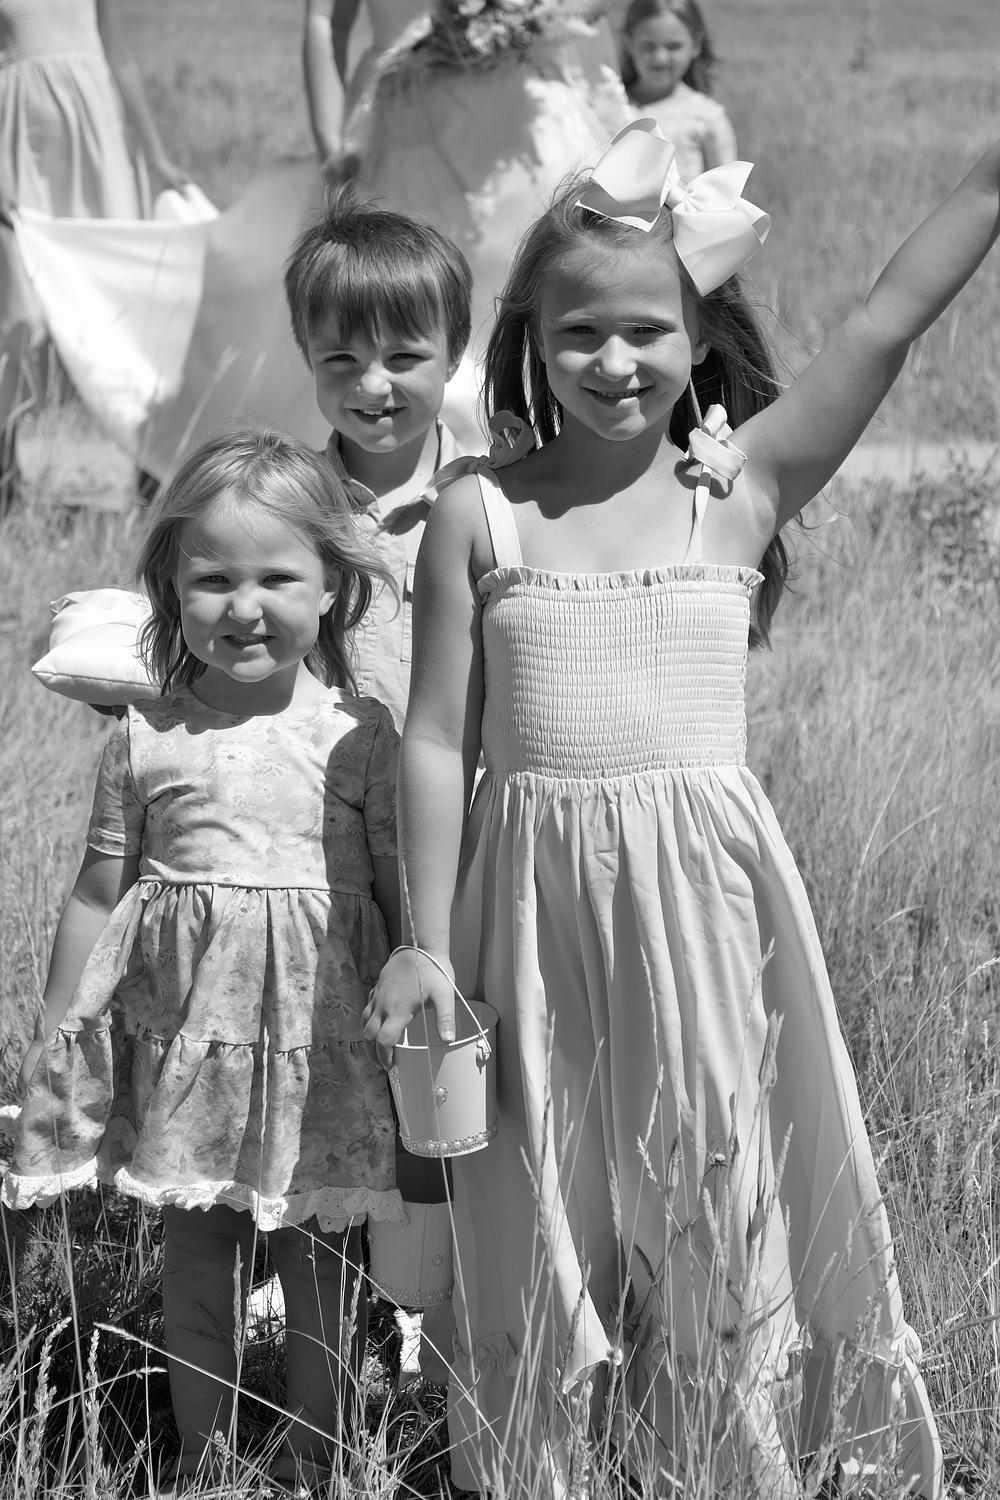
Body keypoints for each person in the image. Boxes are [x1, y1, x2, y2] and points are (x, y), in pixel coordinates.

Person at [365, 118, 1000, 1497]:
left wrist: (990, 174)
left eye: (648, 331)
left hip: (704, 929)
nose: (615, 361)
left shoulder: (741, 489)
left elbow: (884, 322)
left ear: (700, 337)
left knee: (709, 1209)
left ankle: (716, 1467)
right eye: (581, 333)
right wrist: (422, 943)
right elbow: (434, 740)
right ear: (530, 341)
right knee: (542, 1208)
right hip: (525, 927)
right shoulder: (481, 512)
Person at [3, 428, 404, 1494]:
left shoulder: (362, 737)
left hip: (321, 1061)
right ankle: (204, 1460)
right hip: (189, 1060)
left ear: (332, 588)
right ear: (172, 592)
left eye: (277, 577)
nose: (244, 605)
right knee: (196, 1263)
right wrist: (56, 1030)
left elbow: (396, 895)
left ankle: (319, 1457)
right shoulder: (147, 736)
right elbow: (98, 891)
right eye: (213, 580)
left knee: (321, 1267)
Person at [283, 189, 475, 1382]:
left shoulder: (492, 492)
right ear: (305, 358)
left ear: (454, 352)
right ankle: (349, 1329)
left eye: (406, 355)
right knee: (350, 1076)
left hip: (466, 835)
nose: (374, 384)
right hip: (335, 850)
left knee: (456, 1071)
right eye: (340, 358)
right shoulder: (289, 504)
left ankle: (451, 1329)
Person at [0, 0, 186, 509]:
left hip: (96, 139)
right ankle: (5, 479)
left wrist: (157, 157)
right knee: (20, 312)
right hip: (19, 143)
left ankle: (151, 475)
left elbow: (119, 56)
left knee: (122, 305)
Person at [619, 0, 736, 180]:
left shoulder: (708, 117)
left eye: (673, 46)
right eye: (648, 46)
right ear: (628, 42)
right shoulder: (610, 106)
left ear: (696, 44)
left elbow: (727, 189)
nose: (660, 58)